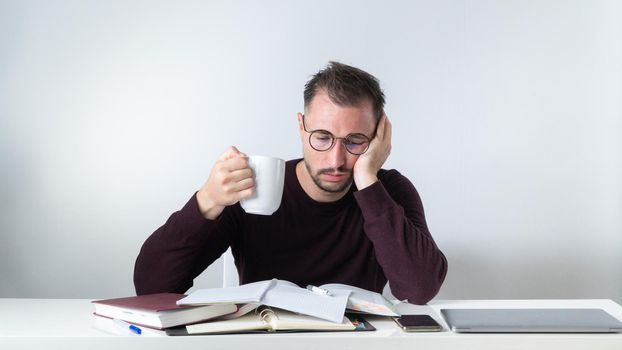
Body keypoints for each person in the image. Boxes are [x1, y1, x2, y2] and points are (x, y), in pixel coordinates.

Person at [134, 61, 447, 304]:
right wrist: (207, 201)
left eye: (355, 141)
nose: (336, 159)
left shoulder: (387, 192)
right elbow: (152, 286)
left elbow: (419, 290)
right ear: (301, 127)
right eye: (322, 137)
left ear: (378, 138)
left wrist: (367, 178)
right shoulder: (254, 188)